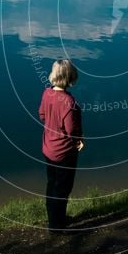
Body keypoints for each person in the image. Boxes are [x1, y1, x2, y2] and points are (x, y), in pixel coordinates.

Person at [38, 58, 84, 233]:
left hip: (48, 149)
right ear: (70, 77)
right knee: (63, 188)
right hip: (64, 152)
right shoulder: (69, 102)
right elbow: (72, 130)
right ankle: (56, 226)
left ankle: (55, 219)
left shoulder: (46, 93)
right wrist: (79, 140)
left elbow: (42, 115)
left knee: (52, 184)